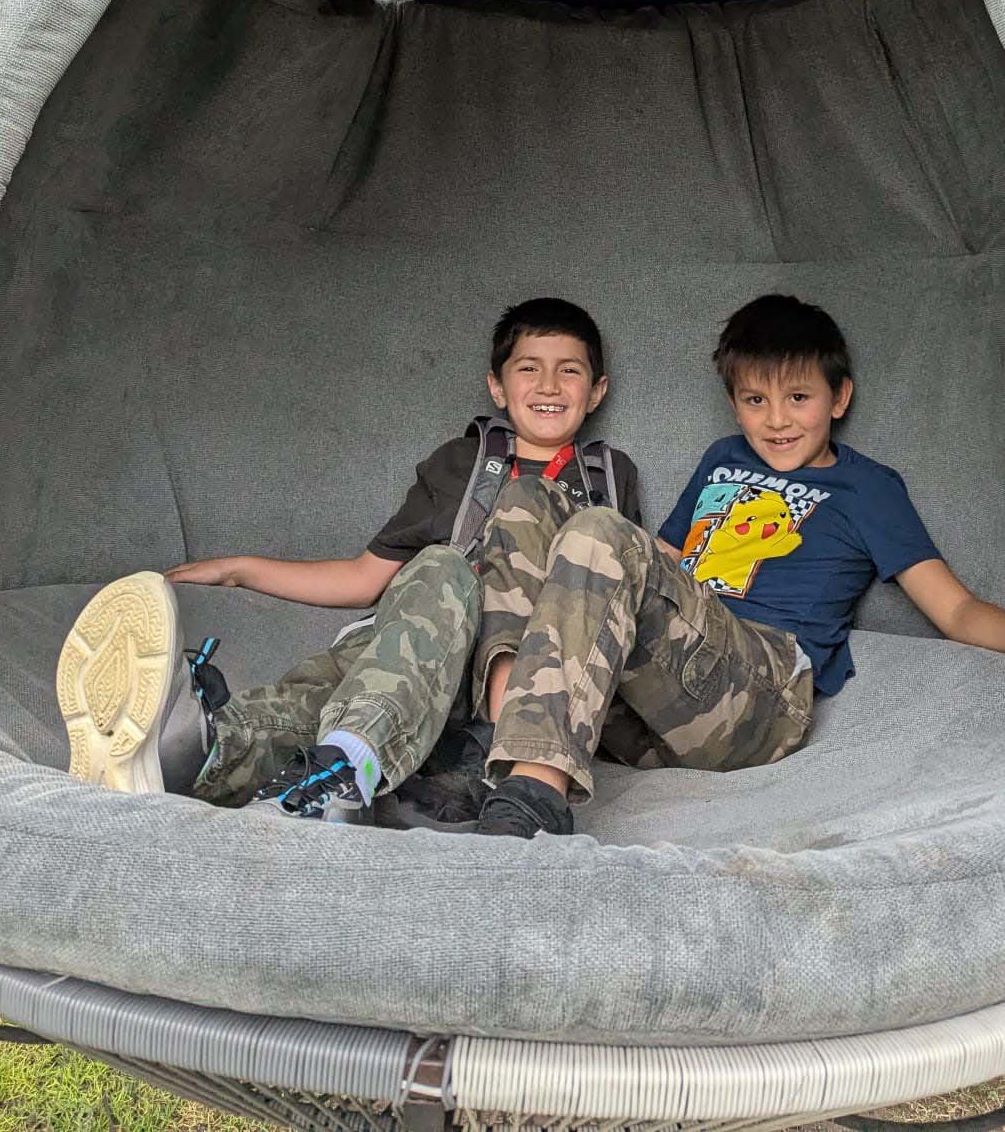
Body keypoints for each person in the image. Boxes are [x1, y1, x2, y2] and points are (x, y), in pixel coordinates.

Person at [468, 292, 1005, 840]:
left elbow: (954, 607)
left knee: (602, 531)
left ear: (838, 397)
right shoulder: (722, 458)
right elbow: (662, 561)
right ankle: (503, 741)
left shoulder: (868, 489)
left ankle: (536, 793)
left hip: (760, 698)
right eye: (755, 400)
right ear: (734, 403)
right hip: (652, 707)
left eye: (798, 397)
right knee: (528, 499)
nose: (776, 420)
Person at [54, 297, 642, 823]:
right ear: (496, 386)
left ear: (596, 391)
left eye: (569, 371)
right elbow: (365, 578)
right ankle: (195, 747)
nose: (548, 385)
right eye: (528, 368)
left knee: (437, 576)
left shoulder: (607, 480)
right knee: (333, 686)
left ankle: (342, 771)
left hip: (525, 690)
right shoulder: (462, 464)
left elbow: (621, 596)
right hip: (420, 646)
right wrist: (239, 569)